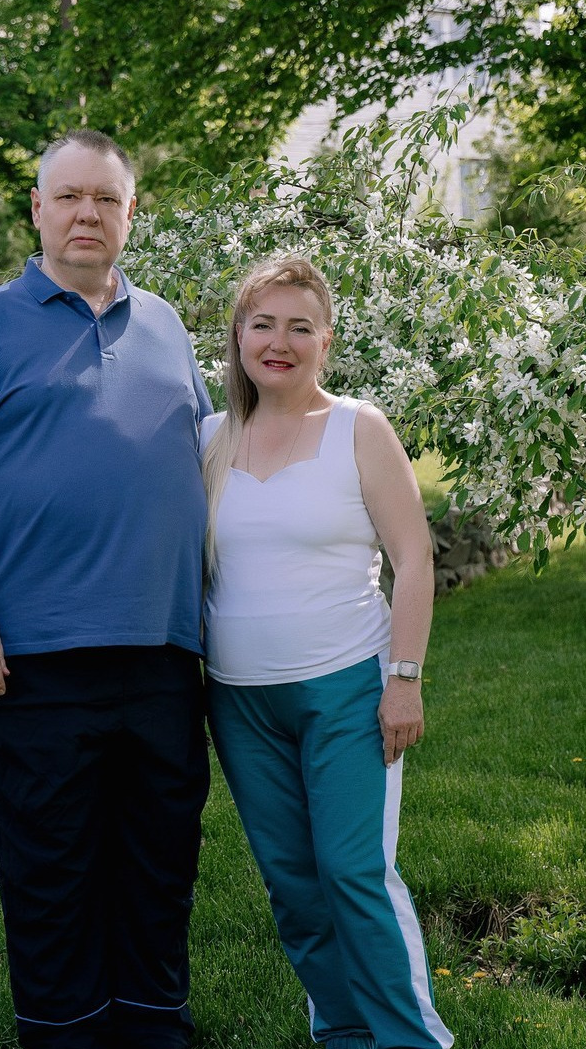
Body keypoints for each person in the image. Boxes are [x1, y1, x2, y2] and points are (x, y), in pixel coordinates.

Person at [0, 129, 212, 1049]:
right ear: (37, 209)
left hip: (163, 652)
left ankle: (154, 1022)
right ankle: (64, 1028)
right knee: (52, 865)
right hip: (34, 656)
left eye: (107, 200)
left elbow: (211, 458)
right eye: (70, 196)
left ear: (129, 216)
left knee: (160, 858)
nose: (89, 213)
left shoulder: (165, 324)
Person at [200, 256, 454, 1049]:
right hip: (238, 700)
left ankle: (414, 1041)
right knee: (295, 890)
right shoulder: (209, 436)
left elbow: (414, 558)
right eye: (263, 323)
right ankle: (344, 1035)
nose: (280, 342)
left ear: (326, 340)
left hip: (347, 688)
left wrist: (403, 679)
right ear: (238, 335)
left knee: (352, 876)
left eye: (299, 327)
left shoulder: (358, 427)